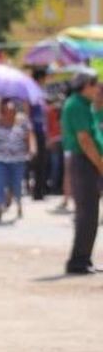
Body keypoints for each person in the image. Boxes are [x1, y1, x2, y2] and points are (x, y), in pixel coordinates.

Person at [61, 70, 103, 275]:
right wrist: (100, 164)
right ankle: (78, 261)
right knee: (87, 214)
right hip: (84, 163)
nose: (97, 90)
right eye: (95, 85)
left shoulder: (82, 104)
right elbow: (85, 140)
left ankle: (83, 259)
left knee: (90, 214)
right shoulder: (77, 105)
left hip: (87, 163)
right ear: (86, 85)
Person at [0, 99, 32, 223]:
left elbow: (28, 137)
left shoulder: (22, 123)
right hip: (0, 159)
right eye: (7, 111)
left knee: (16, 185)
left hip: (17, 160)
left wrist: (30, 150)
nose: (10, 113)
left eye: (12, 111)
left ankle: (19, 204)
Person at [30, 69, 49, 200]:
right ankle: (37, 191)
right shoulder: (32, 93)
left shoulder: (40, 93)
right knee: (37, 162)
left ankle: (40, 189)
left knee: (42, 162)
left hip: (41, 131)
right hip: (34, 132)